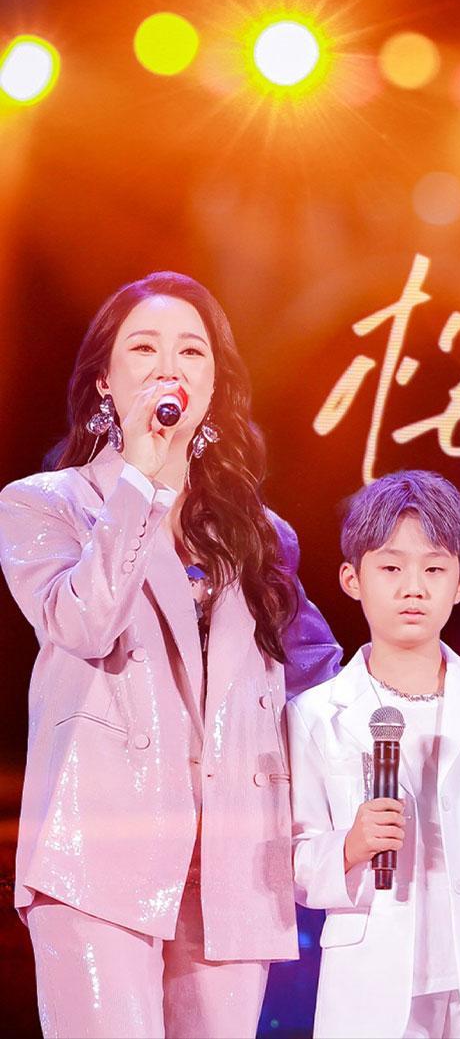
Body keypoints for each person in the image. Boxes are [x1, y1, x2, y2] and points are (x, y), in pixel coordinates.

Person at [0, 270, 344, 1039]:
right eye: (144, 347)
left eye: (191, 350)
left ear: (213, 385)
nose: (169, 366)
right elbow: (83, 623)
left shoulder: (259, 535)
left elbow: (324, 683)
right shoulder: (44, 505)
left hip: (234, 862)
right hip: (99, 849)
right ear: (104, 378)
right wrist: (140, 481)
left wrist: (453, 689)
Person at [288, 470, 460, 1039]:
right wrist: (350, 845)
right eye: (391, 568)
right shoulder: (314, 714)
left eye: (434, 569)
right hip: (370, 984)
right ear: (352, 578)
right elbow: (293, 858)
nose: (413, 588)